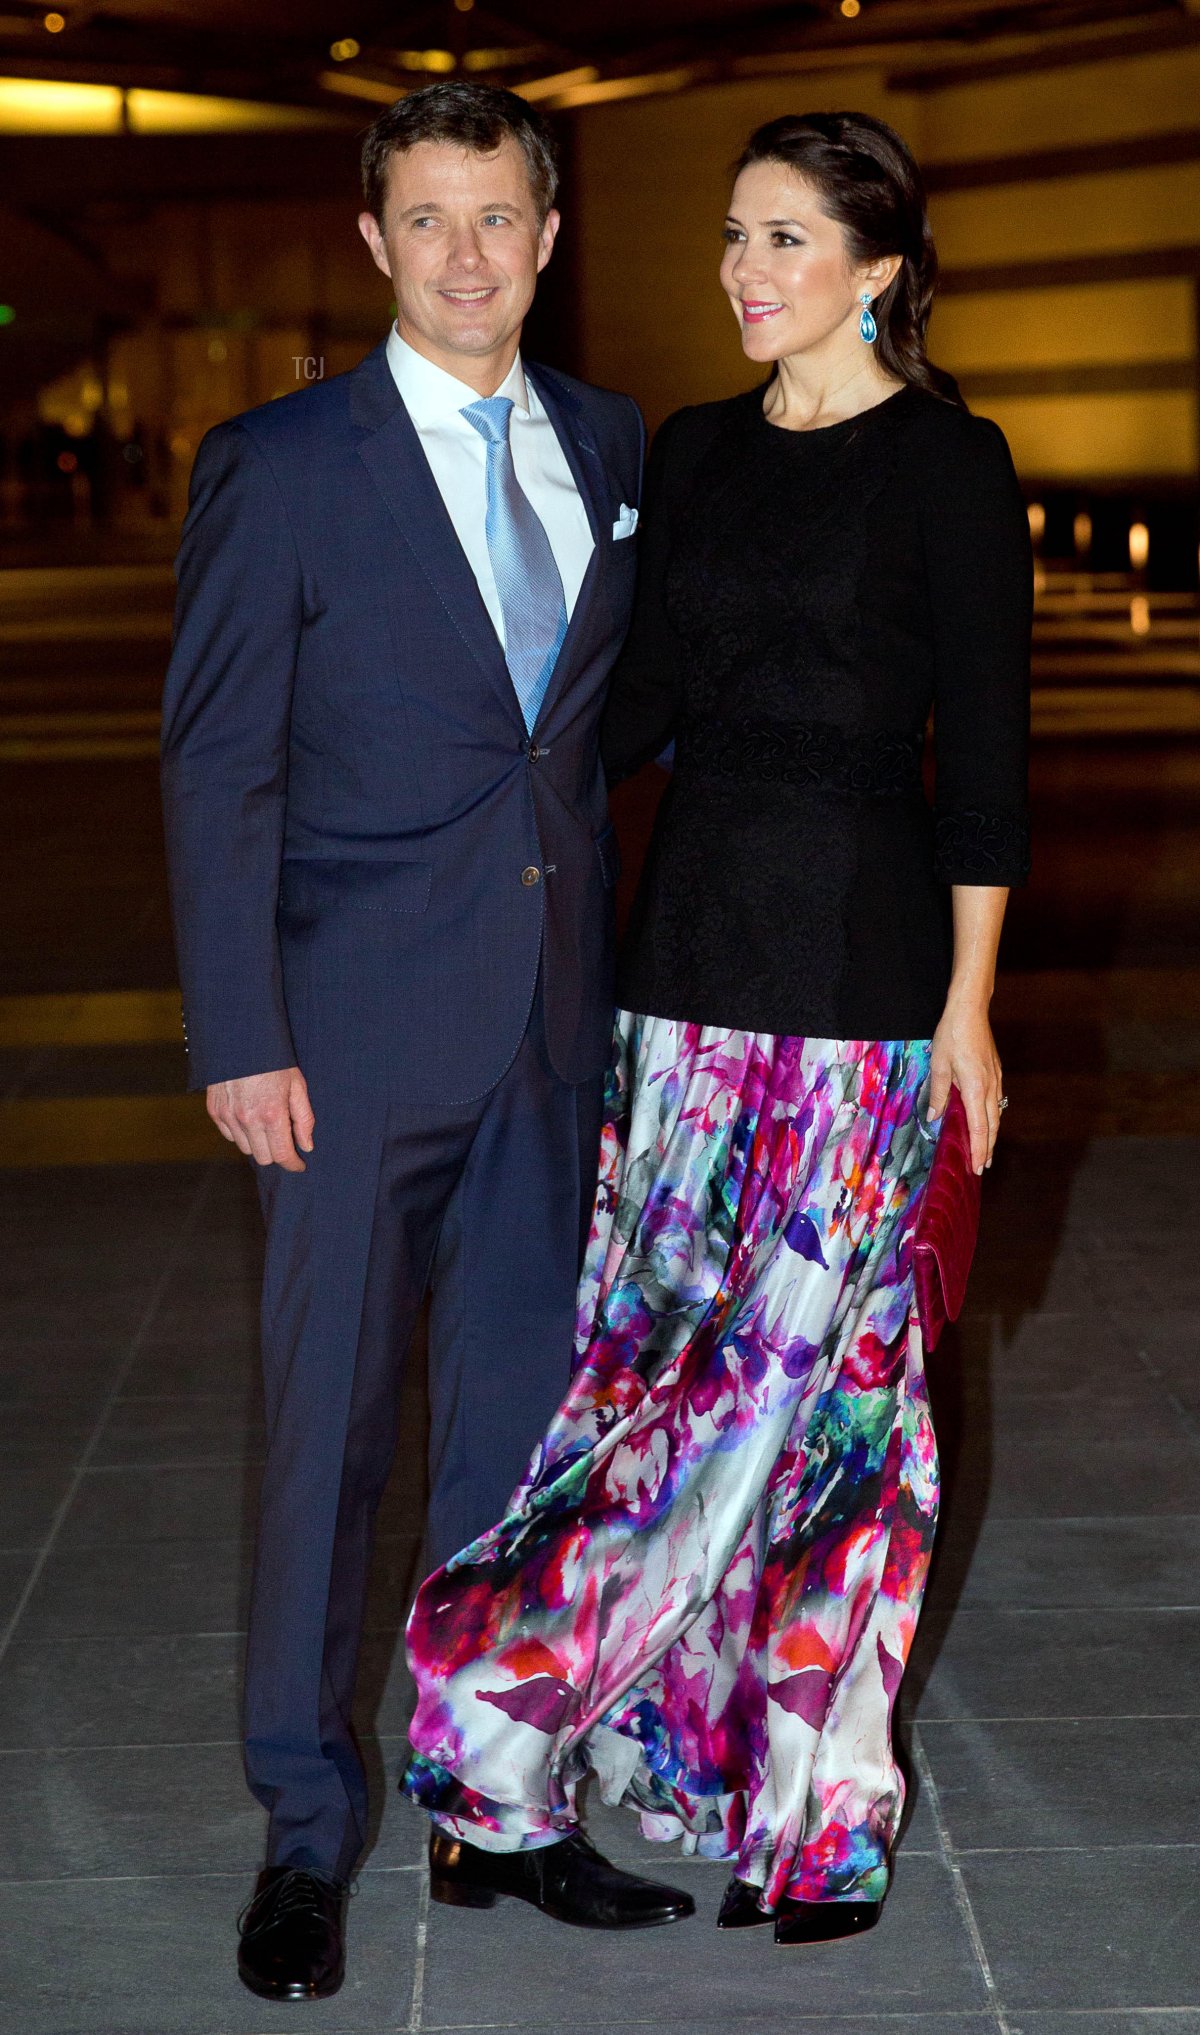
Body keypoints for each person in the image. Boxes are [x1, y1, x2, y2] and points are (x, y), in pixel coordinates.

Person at [400, 111, 1032, 1946]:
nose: (747, 272)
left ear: (879, 268)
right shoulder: (690, 454)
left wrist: (970, 1011)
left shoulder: (952, 468)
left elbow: (986, 772)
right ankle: (512, 1730)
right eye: (735, 239)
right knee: (656, 1399)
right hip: (679, 992)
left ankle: (815, 1810)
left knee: (839, 1411)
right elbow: (617, 707)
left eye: (785, 239)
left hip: (861, 996)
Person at [161, 81, 694, 2005]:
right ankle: (304, 1834)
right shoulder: (282, 462)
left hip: (551, 1034)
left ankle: (499, 1808)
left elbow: (603, 723)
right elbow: (215, 760)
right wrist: (242, 1031)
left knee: (514, 1431)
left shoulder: (617, 443)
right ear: (375, 242)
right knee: (327, 1444)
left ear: (549, 237)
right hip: (349, 1039)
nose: (470, 255)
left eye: (501, 217)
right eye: (430, 220)